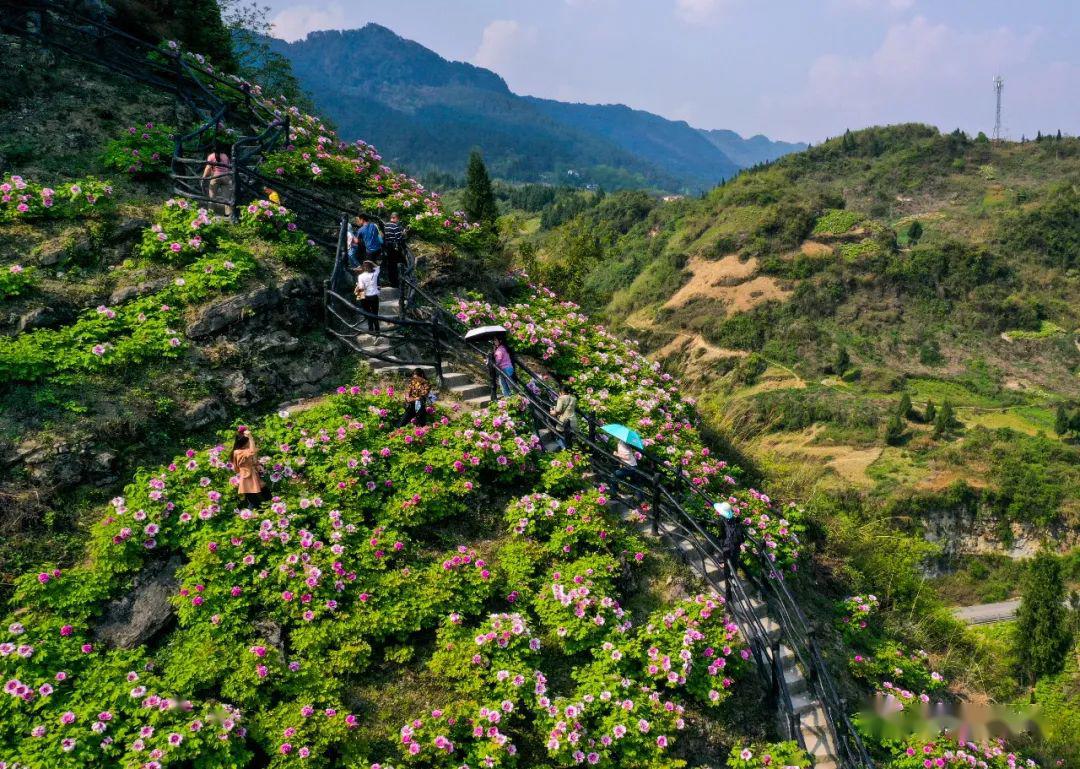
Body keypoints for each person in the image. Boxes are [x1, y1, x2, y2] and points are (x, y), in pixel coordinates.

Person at [231, 426, 265, 508]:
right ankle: (252, 514)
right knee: (253, 501)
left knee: (255, 499)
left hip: (249, 475)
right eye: (248, 441)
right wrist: (250, 437)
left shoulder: (241, 451)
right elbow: (253, 451)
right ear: (244, 442)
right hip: (247, 477)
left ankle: (256, 512)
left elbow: (236, 468)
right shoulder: (238, 452)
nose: (250, 443)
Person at [202, 145, 233, 215]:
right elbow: (228, 168)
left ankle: (211, 212)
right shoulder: (225, 156)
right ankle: (228, 213)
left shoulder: (211, 156)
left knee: (212, 196)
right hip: (226, 177)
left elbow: (208, 168)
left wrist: (203, 177)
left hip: (215, 177)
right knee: (227, 196)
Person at [354, 260, 381, 334]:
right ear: (371, 266)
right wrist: (371, 262)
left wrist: (359, 296)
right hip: (374, 296)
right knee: (375, 314)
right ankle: (377, 332)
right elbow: (378, 267)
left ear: (363, 268)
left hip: (366, 297)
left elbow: (361, 288)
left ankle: (371, 330)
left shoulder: (360, 276)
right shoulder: (375, 274)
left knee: (368, 314)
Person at [549, 382, 578, 449]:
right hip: (573, 421)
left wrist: (553, 412)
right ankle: (571, 450)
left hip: (564, 421)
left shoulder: (561, 398)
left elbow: (558, 410)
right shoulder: (574, 399)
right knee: (571, 438)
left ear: (561, 392)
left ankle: (565, 448)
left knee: (561, 434)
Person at [382, 212, 407, 287]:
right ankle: (397, 283)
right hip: (394, 247)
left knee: (390, 265)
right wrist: (403, 234)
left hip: (388, 247)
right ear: (396, 218)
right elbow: (398, 238)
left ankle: (391, 282)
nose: (398, 220)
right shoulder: (395, 226)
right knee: (396, 264)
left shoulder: (386, 225)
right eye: (398, 219)